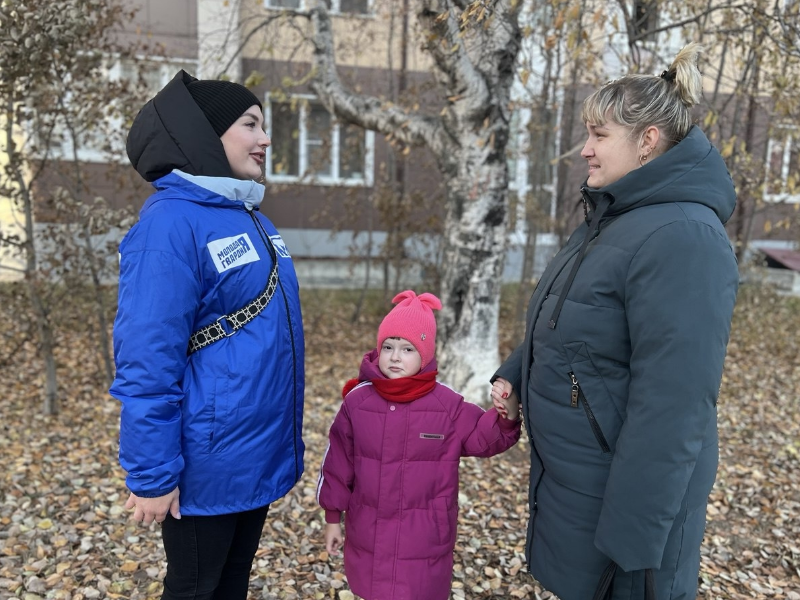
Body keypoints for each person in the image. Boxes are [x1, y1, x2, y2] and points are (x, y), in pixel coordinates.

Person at [491, 43, 739, 600]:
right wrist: (518, 371)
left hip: (623, 514)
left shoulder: (682, 237)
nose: (585, 149)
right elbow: (574, 319)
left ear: (647, 140)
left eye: (599, 135)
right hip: (581, 487)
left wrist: (632, 545)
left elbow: (674, 405)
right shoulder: (614, 218)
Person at [110, 70, 305, 600]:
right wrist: (152, 474)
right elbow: (147, 360)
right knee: (195, 589)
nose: (265, 139)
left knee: (231, 585)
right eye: (250, 124)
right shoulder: (170, 225)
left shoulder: (250, 217)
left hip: (251, 455)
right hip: (205, 462)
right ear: (207, 135)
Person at [317, 290, 521, 600]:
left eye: (407, 349)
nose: (395, 357)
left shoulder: (446, 405)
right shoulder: (358, 403)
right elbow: (337, 464)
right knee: (374, 591)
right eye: (388, 347)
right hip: (369, 532)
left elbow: (483, 437)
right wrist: (333, 518)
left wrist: (506, 416)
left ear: (424, 355)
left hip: (424, 537)